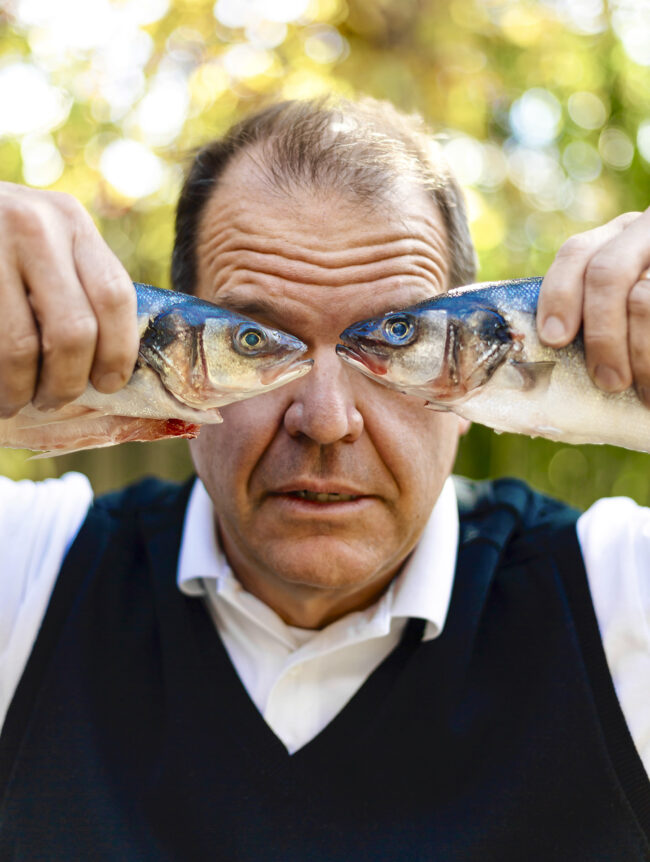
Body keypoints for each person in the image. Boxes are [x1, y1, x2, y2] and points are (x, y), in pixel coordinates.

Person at [0, 98, 649, 860]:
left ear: (476, 394)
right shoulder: (28, 575)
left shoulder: (619, 598)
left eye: (396, 344)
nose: (326, 417)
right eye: (256, 342)